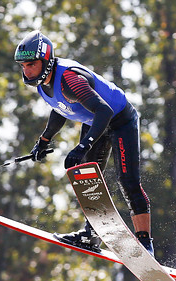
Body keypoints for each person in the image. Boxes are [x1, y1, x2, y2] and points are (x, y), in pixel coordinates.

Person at [14, 30, 154, 256]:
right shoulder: (42, 84)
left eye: (31, 64)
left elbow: (104, 110)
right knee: (88, 178)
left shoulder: (69, 78)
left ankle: (145, 243)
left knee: (127, 181)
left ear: (46, 60)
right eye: (23, 65)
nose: (26, 70)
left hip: (119, 120)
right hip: (94, 120)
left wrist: (83, 146)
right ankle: (91, 235)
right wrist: (43, 140)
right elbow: (59, 109)